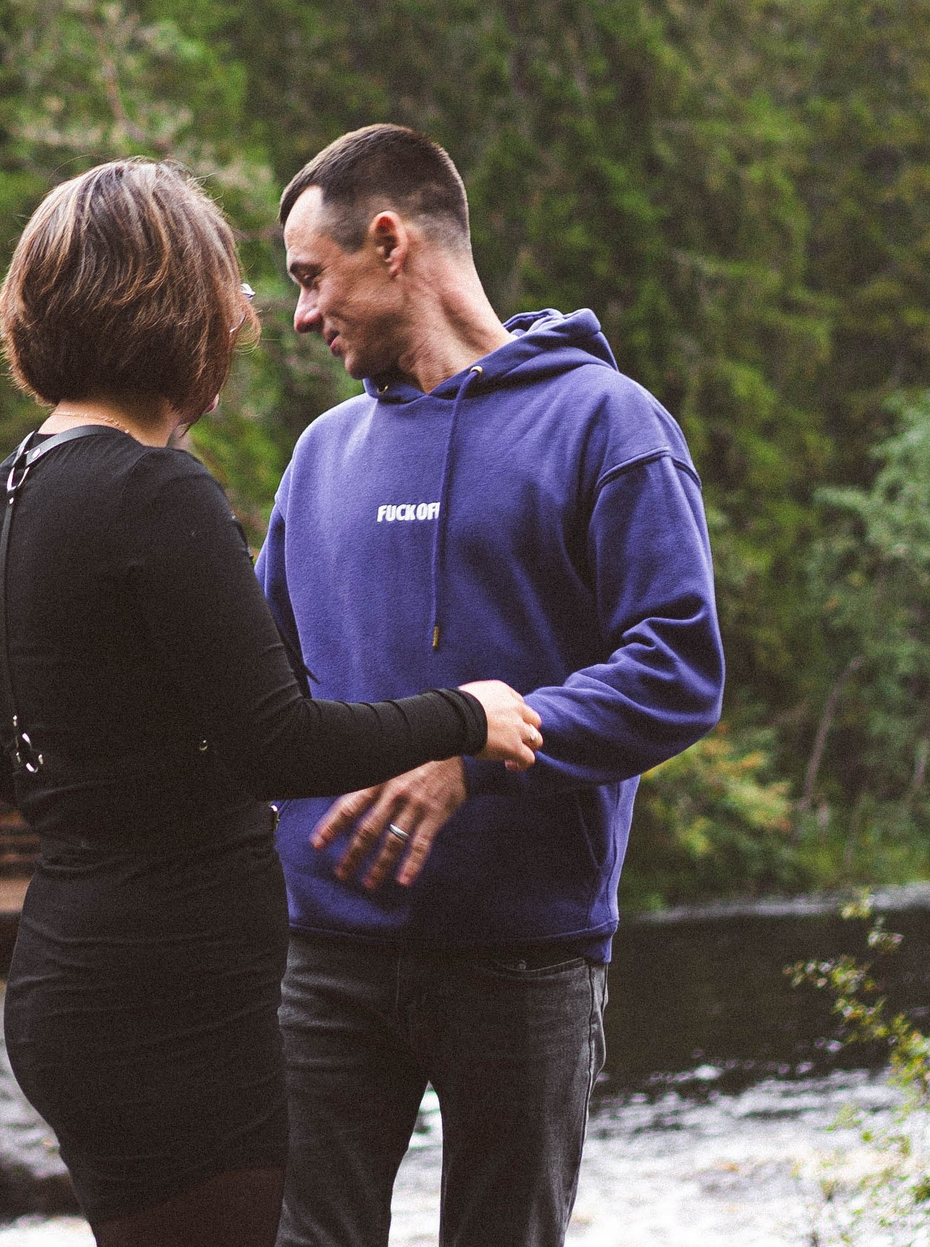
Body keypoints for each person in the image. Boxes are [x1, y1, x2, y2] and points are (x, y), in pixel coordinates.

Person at [0, 157, 548, 1247]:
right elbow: (279, 742)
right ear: (168, 307)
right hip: (174, 1001)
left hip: (63, 979)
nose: (245, 314)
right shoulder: (153, 489)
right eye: (226, 288)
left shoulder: (2, 497)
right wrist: (468, 714)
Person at [257, 124, 726, 1247]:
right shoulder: (319, 456)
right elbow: (260, 693)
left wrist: (473, 755)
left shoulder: (607, 426)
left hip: (526, 958)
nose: (301, 315)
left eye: (310, 279)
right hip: (323, 954)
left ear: (389, 242)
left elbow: (678, 666)